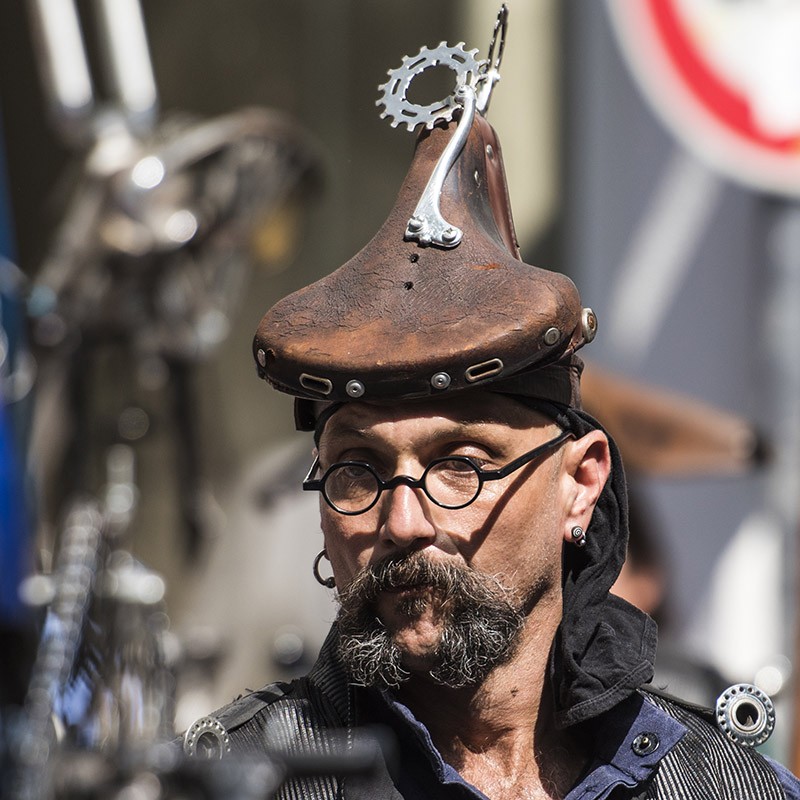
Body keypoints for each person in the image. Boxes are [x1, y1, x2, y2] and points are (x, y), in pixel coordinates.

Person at [182, 17, 800, 800]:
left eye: (461, 466)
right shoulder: (240, 783)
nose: (402, 521)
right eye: (357, 471)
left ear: (581, 484)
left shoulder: (720, 786)